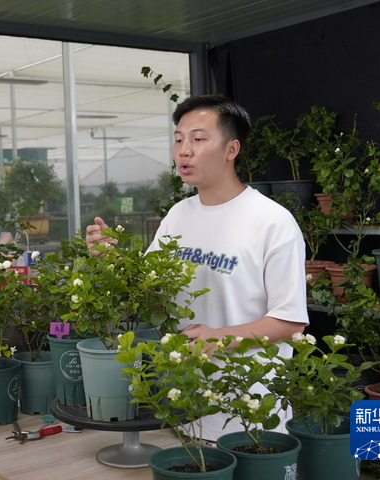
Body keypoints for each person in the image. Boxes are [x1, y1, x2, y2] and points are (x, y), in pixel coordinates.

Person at [85, 95, 309, 440]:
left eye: (198, 139)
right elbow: (151, 292)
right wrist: (112, 260)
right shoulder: (178, 216)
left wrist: (218, 337)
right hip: (184, 411)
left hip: (250, 418)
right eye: (178, 140)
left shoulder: (272, 221)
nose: (184, 151)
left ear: (231, 149)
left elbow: (290, 322)